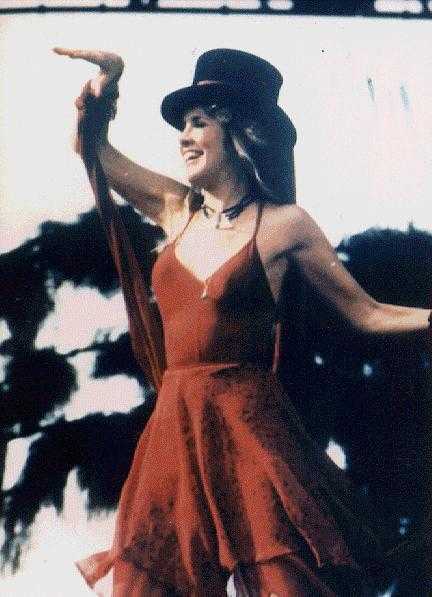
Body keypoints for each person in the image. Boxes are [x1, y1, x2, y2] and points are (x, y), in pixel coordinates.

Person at [54, 47, 431, 596]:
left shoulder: (284, 225)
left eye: (198, 123)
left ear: (239, 131)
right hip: (175, 432)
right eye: (182, 126)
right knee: (149, 580)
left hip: (251, 434)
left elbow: (366, 313)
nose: (184, 138)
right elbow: (91, 149)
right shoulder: (175, 208)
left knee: (282, 578)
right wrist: (107, 90)